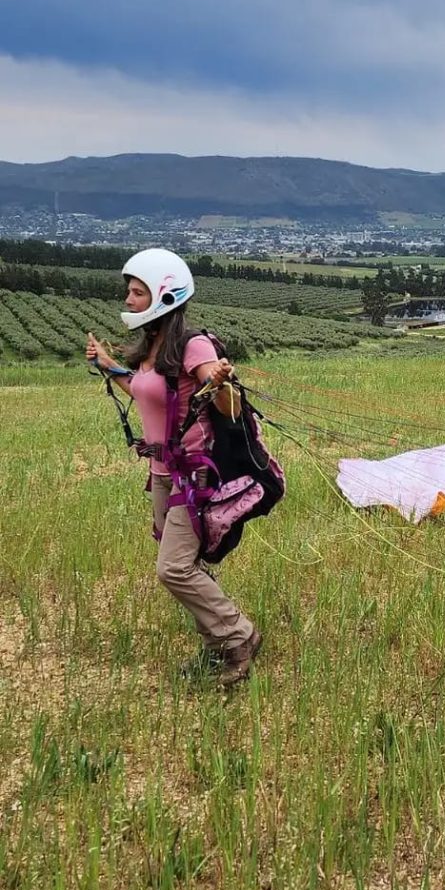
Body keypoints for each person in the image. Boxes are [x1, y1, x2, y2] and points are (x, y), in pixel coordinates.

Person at [85, 248, 262, 687]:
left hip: (194, 476)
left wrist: (219, 382)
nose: (127, 299)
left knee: (174, 568)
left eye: (136, 291)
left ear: (164, 295)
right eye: (129, 291)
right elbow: (147, 392)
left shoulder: (193, 345)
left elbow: (226, 400)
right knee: (187, 563)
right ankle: (218, 644)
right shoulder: (152, 347)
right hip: (163, 475)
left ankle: (239, 637)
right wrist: (110, 367)